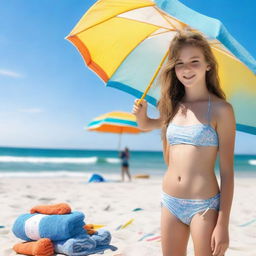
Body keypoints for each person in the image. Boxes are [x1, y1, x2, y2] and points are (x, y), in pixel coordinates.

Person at [132, 30, 235, 256]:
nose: (186, 69)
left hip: (205, 206)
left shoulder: (221, 110)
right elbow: (151, 125)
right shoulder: (172, 106)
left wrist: (223, 224)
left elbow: (227, 172)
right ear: (173, 67)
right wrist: (142, 118)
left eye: (194, 61)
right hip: (170, 201)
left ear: (208, 65)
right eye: (180, 63)